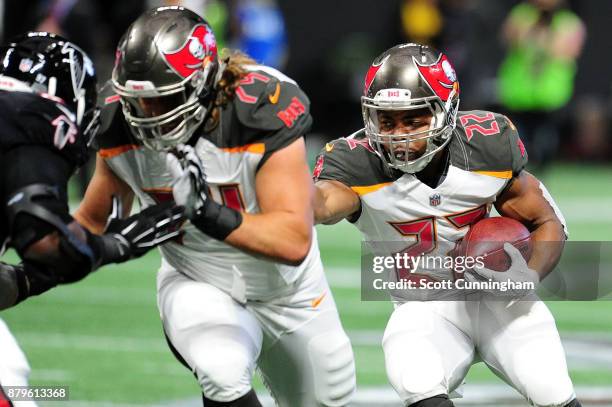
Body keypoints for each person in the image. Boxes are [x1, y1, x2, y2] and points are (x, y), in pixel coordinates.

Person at [74, 6, 355, 407]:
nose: (147, 115)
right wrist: (28, 274)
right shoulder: (118, 119)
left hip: (290, 291)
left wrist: (207, 212)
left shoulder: (258, 108)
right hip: (198, 281)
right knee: (221, 366)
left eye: (163, 99)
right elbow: (89, 224)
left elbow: (293, 241)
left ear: (203, 82)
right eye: (138, 101)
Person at [313, 43, 580, 407]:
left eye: (413, 120)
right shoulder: (356, 163)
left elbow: (547, 220)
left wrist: (527, 276)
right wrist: (293, 199)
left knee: (551, 389)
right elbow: (325, 201)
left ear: (446, 111)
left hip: (501, 302)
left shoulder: (486, 146)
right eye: (386, 121)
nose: (398, 135)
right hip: (424, 308)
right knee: (415, 378)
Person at [0, 32, 184, 404]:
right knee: (12, 379)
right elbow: (47, 241)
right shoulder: (33, 115)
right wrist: (117, 244)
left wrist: (29, 280)